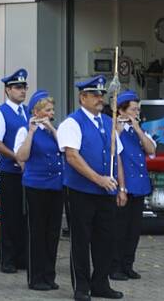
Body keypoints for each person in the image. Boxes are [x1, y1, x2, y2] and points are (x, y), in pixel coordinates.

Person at [57, 76, 127, 301]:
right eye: (95, 95)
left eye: (101, 95)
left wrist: (122, 187)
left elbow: (117, 156)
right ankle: (81, 286)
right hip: (81, 192)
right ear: (82, 97)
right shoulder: (72, 122)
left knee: (105, 239)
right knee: (81, 240)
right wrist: (99, 179)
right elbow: (72, 156)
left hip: (106, 191)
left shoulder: (108, 121)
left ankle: (101, 283)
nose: (100, 99)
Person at [14, 90, 63, 291]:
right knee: (37, 232)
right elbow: (21, 156)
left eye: (52, 110)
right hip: (36, 187)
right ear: (36, 111)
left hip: (56, 186)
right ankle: (36, 278)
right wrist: (32, 132)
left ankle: (49, 275)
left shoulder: (55, 129)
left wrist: (51, 128)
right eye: (48, 110)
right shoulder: (24, 131)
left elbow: (65, 148)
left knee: (52, 233)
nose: (52, 113)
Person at [110, 90, 155, 282]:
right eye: (133, 109)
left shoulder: (140, 130)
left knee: (134, 229)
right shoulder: (112, 129)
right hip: (123, 185)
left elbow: (151, 150)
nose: (137, 113)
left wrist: (137, 129)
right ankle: (115, 266)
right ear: (121, 111)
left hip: (139, 186)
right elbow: (112, 152)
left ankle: (128, 265)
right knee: (119, 229)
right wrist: (119, 129)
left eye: (138, 109)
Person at [0, 68, 29, 274]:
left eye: (24, 87)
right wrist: (16, 156)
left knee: (25, 217)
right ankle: (8, 259)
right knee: (10, 216)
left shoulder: (27, 111)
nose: (22, 91)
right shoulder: (0, 113)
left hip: (27, 173)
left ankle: (23, 256)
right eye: (17, 87)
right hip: (10, 171)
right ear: (7, 90)